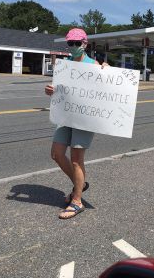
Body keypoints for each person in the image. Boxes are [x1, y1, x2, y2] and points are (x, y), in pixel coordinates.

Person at [45, 28, 108, 219]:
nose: (73, 47)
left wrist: (108, 71)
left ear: (85, 44)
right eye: (70, 43)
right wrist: (51, 90)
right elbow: (60, 90)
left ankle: (77, 201)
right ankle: (80, 183)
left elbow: (105, 90)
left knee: (76, 159)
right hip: (66, 117)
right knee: (56, 153)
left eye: (76, 43)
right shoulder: (65, 65)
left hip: (84, 118)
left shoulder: (94, 65)